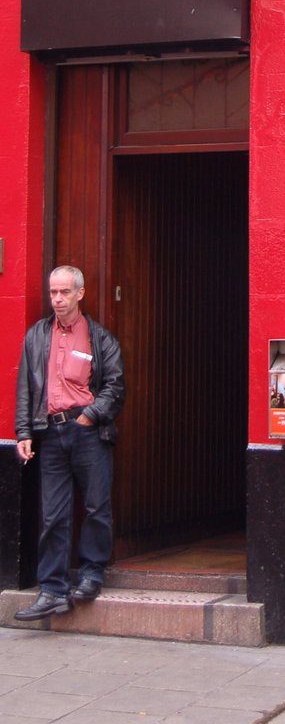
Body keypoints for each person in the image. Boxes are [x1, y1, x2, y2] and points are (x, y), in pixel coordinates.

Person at [14, 265, 125, 620]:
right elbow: (26, 389)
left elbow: (115, 388)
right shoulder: (37, 336)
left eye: (64, 293)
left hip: (87, 430)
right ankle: (52, 590)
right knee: (54, 514)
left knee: (96, 506)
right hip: (49, 432)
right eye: (52, 293)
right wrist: (24, 432)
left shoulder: (100, 338)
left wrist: (90, 415)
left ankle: (92, 574)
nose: (57, 300)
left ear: (80, 293)